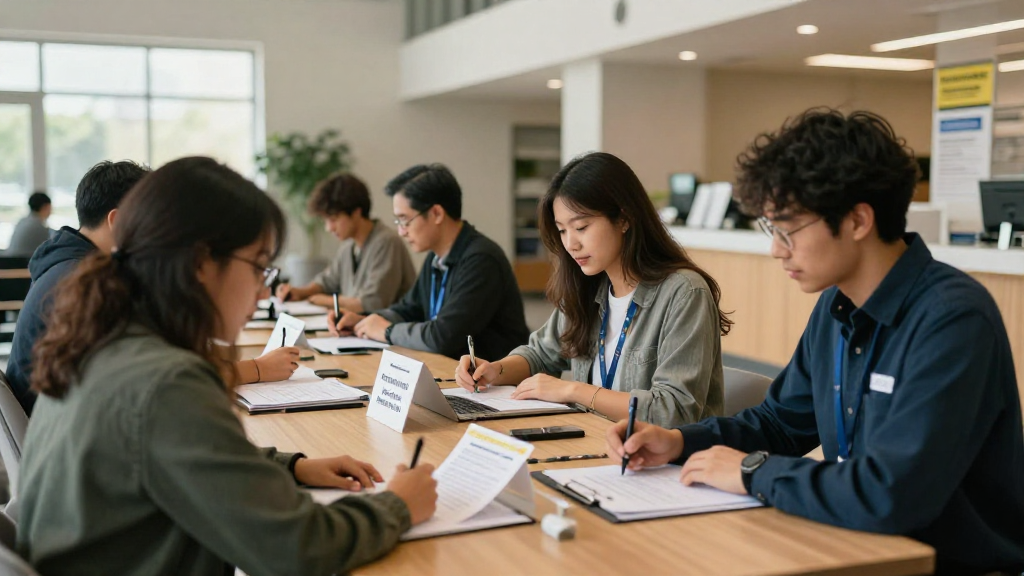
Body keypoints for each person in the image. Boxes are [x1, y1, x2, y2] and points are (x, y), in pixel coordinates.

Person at [606, 109, 1024, 575]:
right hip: (851, 542)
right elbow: (780, 424)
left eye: (788, 229)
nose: (776, 249)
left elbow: (892, 494)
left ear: (858, 220)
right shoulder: (835, 306)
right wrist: (680, 440)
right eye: (771, 230)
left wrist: (752, 472)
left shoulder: (951, 320)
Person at [18, 157, 438, 575]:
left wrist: (293, 467)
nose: (261, 290)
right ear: (200, 263)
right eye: (258, 266)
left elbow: (179, 455)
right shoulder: (166, 380)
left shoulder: (107, 334)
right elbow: (295, 547)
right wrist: (397, 505)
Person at [454, 152, 729, 427]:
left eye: (581, 227)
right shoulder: (588, 286)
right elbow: (539, 354)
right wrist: (494, 370)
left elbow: (673, 411)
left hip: (661, 462)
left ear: (624, 218)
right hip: (595, 445)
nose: (570, 244)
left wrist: (573, 391)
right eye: (562, 231)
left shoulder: (684, 293)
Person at [6, 161, 297, 415]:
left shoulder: (73, 270)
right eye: (159, 222)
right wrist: (256, 369)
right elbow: (159, 382)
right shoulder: (84, 288)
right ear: (121, 222)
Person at [329, 163, 529, 361]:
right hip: (451, 373)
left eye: (405, 220)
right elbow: (409, 309)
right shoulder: (435, 257)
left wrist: (387, 331)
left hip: (494, 386)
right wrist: (363, 320)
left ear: (436, 214)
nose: (401, 231)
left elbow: (443, 336)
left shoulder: (481, 260)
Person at [274, 173, 415, 312]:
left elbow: (372, 304)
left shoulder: (387, 242)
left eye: (334, 219)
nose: (329, 228)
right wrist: (299, 292)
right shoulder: (348, 247)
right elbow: (327, 282)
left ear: (356, 213)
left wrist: (320, 300)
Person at [6, 191, 52, 257]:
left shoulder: (22, 221)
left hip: (9, 262)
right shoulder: (38, 227)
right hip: (22, 264)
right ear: (46, 207)